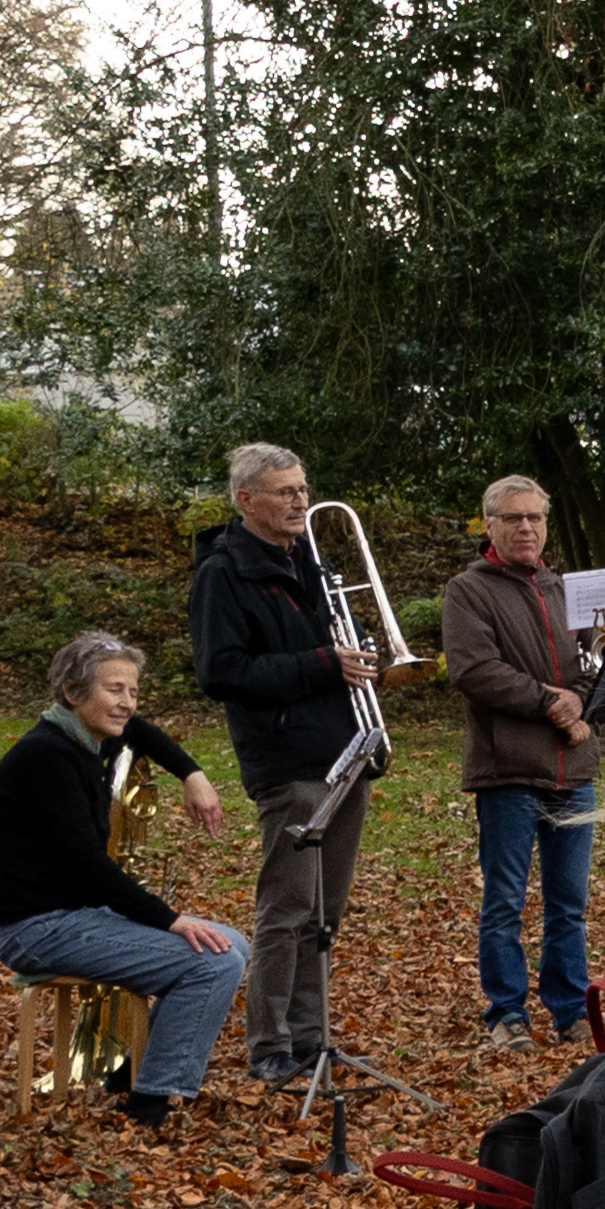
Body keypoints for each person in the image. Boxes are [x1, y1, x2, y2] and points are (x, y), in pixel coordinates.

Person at [0, 636, 247, 1131]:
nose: (126, 702)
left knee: (235, 943)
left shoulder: (82, 739)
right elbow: (86, 867)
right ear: (72, 691)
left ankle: (133, 1075)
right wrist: (169, 919)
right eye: (114, 689)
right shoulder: (47, 757)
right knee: (212, 960)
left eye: (133, 690)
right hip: (37, 927)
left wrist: (191, 773)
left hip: (74, 915)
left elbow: (140, 731)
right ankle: (150, 1101)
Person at [187, 444, 379, 1083]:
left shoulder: (311, 562)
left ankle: (311, 1038)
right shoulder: (222, 573)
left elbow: (329, 647)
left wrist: (356, 659)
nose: (300, 501)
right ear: (246, 501)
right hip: (288, 760)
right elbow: (221, 671)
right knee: (288, 908)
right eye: (284, 492)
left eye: (302, 488)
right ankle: (269, 1045)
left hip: (345, 751)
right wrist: (324, 664)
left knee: (326, 912)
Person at [441, 477, 600, 1045]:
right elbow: (473, 669)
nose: (526, 527)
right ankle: (507, 1014)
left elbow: (591, 660)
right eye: (512, 518)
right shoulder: (468, 590)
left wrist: (581, 695)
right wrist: (550, 703)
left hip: (573, 770)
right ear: (490, 525)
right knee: (505, 900)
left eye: (535, 517)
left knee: (569, 904)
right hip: (508, 769)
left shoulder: (567, 589)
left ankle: (571, 1011)